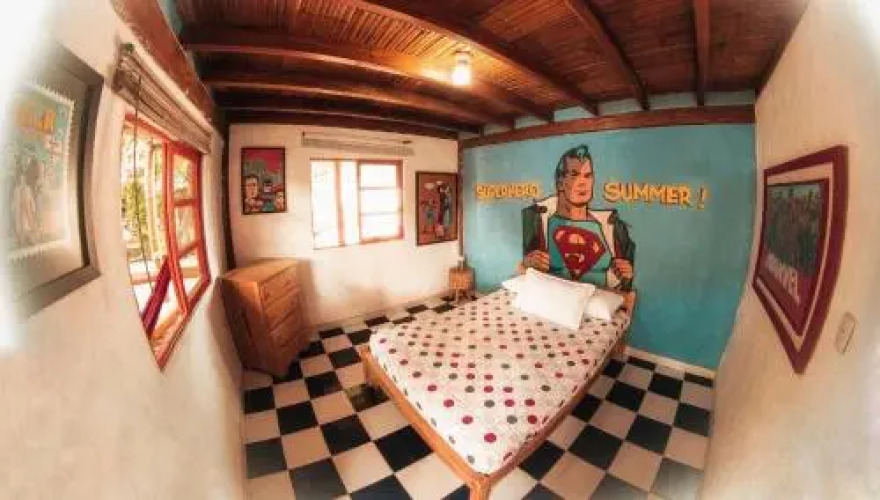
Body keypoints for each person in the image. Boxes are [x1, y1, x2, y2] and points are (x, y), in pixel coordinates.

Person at [521, 144, 635, 291]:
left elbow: (627, 291)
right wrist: (525, 264)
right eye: (574, 175)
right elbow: (522, 279)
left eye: (588, 176)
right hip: (552, 299)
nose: (582, 183)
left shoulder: (614, 227)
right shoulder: (536, 221)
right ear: (560, 183)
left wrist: (627, 276)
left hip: (597, 301)